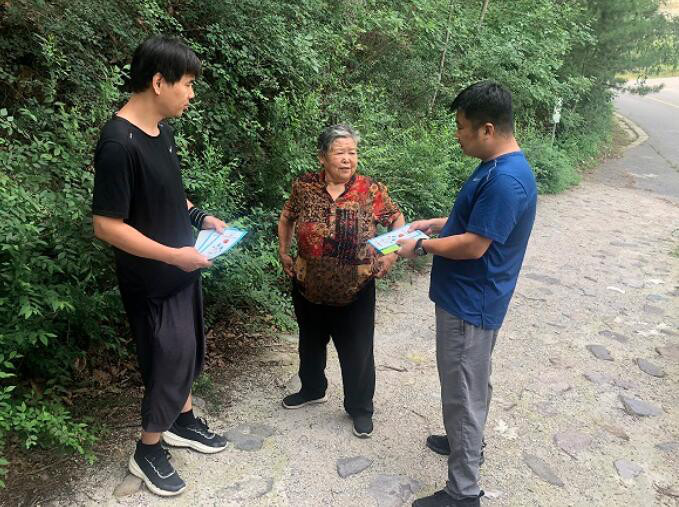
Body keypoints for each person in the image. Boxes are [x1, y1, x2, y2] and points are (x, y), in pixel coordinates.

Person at [91, 36, 228, 497]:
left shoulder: (160, 132)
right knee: (168, 359)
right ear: (157, 82)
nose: (191, 93)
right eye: (186, 84)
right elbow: (106, 225)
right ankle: (147, 450)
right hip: (151, 280)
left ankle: (181, 422)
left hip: (182, 267)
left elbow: (169, 194)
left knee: (187, 352)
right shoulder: (118, 143)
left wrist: (200, 218)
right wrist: (173, 255)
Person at [397, 82, 537, 507]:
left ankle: (462, 492)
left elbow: (475, 244)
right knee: (472, 382)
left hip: (470, 303)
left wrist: (421, 246)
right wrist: (437, 224)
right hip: (474, 298)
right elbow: (477, 221)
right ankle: (466, 444)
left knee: (462, 391)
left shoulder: (505, 180)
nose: (457, 135)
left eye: (461, 127)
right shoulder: (498, 167)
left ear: (487, 129)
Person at [278, 124, 405, 438]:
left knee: (357, 352)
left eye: (352, 152)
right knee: (310, 344)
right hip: (308, 286)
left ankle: (360, 408)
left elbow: (396, 219)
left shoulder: (370, 189)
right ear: (322, 156)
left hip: (356, 289)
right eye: (340, 152)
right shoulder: (304, 186)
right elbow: (287, 217)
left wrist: (390, 254)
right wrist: (283, 252)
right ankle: (312, 389)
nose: (348, 159)